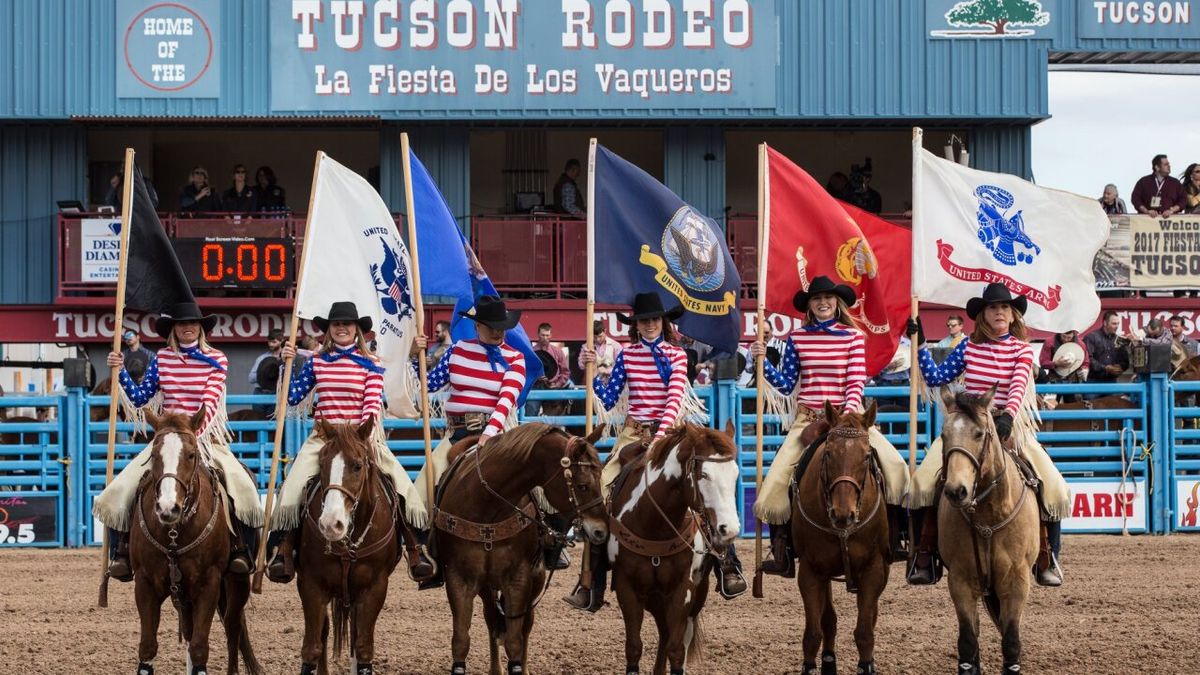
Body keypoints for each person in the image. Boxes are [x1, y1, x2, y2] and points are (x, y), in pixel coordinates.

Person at [567, 292, 746, 609]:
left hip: (674, 432)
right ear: (636, 325)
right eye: (643, 320)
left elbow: (675, 398)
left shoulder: (677, 356)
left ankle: (727, 564)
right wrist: (588, 372)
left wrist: (660, 438)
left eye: (653, 319)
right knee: (600, 491)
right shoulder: (626, 355)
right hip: (634, 432)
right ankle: (590, 581)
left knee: (703, 484)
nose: (649, 325)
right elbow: (608, 400)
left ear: (663, 322)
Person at [906, 283, 1068, 587]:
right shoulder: (967, 347)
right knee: (920, 485)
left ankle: (1047, 556)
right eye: (993, 307)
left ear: (1012, 314)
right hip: (967, 427)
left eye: (1005, 307)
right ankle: (924, 554)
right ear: (983, 314)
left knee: (1055, 488)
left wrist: (1007, 415)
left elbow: (1019, 383)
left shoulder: (1021, 349)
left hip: (1009, 426)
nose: (1000, 312)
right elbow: (936, 377)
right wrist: (920, 345)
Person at [752, 276, 910, 579]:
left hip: (850, 418)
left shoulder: (852, 336)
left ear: (837, 302)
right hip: (808, 420)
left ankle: (897, 538)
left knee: (896, 467)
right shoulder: (797, 339)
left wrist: (842, 420)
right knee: (774, 484)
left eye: (828, 298)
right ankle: (783, 549)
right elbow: (787, 384)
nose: (823, 303)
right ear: (809, 305)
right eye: (816, 299)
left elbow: (855, 383)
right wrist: (763, 362)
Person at [93, 302, 263, 582]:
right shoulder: (162, 359)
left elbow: (209, 403)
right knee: (118, 490)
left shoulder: (217, 358)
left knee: (243, 487)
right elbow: (139, 398)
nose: (188, 327)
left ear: (201, 328)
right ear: (173, 329)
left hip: (204, 436)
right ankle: (121, 551)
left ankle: (240, 550)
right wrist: (120, 370)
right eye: (182, 323)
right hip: (166, 437)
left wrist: (191, 437)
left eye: (193, 323)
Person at [266, 302, 434, 584]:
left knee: (403, 487)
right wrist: (287, 364)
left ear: (357, 330)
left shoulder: (372, 363)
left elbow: (371, 404)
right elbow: (294, 397)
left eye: (347, 323)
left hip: (361, 437)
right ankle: (282, 549)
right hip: (323, 439)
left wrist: (359, 437)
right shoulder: (317, 361)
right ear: (329, 330)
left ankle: (416, 549)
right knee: (292, 489)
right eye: (336, 324)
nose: (341, 328)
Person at [411, 296, 570, 586]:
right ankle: (429, 553)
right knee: (421, 490)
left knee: (541, 485)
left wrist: (489, 434)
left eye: (502, 326)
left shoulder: (515, 357)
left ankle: (550, 542)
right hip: (458, 432)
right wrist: (415, 356)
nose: (498, 332)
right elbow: (426, 384)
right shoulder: (456, 351)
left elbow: (506, 400)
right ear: (477, 326)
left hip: (500, 434)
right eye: (491, 326)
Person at [1130, 154, 1186, 218]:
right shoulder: (1143, 181)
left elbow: (1183, 200)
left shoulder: (1175, 183)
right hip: (1148, 220)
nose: (1169, 166)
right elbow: (1135, 199)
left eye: (1169, 164)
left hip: (1169, 222)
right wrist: (1147, 211)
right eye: (1165, 164)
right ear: (1157, 167)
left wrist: (1171, 211)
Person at [1084, 311, 1130, 384]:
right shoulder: (1091, 337)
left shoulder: (1120, 340)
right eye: (1114, 323)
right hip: (1092, 381)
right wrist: (1105, 368)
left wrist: (1120, 367)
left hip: (1112, 381)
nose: (1117, 326)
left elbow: (1125, 361)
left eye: (1118, 324)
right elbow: (1088, 359)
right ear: (1105, 323)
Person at [249, 329, 284, 414]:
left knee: (273, 422)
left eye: (274, 342)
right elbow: (251, 378)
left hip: (277, 393)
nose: (270, 344)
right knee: (257, 420)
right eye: (269, 342)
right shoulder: (262, 358)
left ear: (281, 341)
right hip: (260, 392)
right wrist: (264, 373)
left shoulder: (286, 358)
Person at [578, 319, 622, 385]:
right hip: (593, 384)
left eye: (600, 336)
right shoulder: (586, 347)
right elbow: (581, 366)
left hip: (613, 384)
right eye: (595, 337)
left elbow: (621, 367)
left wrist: (607, 371)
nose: (598, 339)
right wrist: (585, 361)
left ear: (605, 331)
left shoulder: (615, 346)